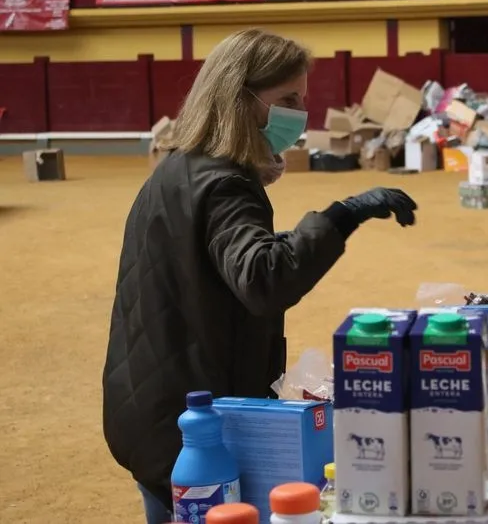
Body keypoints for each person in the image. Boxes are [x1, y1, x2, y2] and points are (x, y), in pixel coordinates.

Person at [101, 29, 418, 524]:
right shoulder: (225, 183)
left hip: (156, 405)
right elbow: (263, 278)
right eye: (287, 99)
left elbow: (220, 259)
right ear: (239, 98)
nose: (300, 113)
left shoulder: (182, 166)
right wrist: (342, 215)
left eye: (302, 99)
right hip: (191, 425)